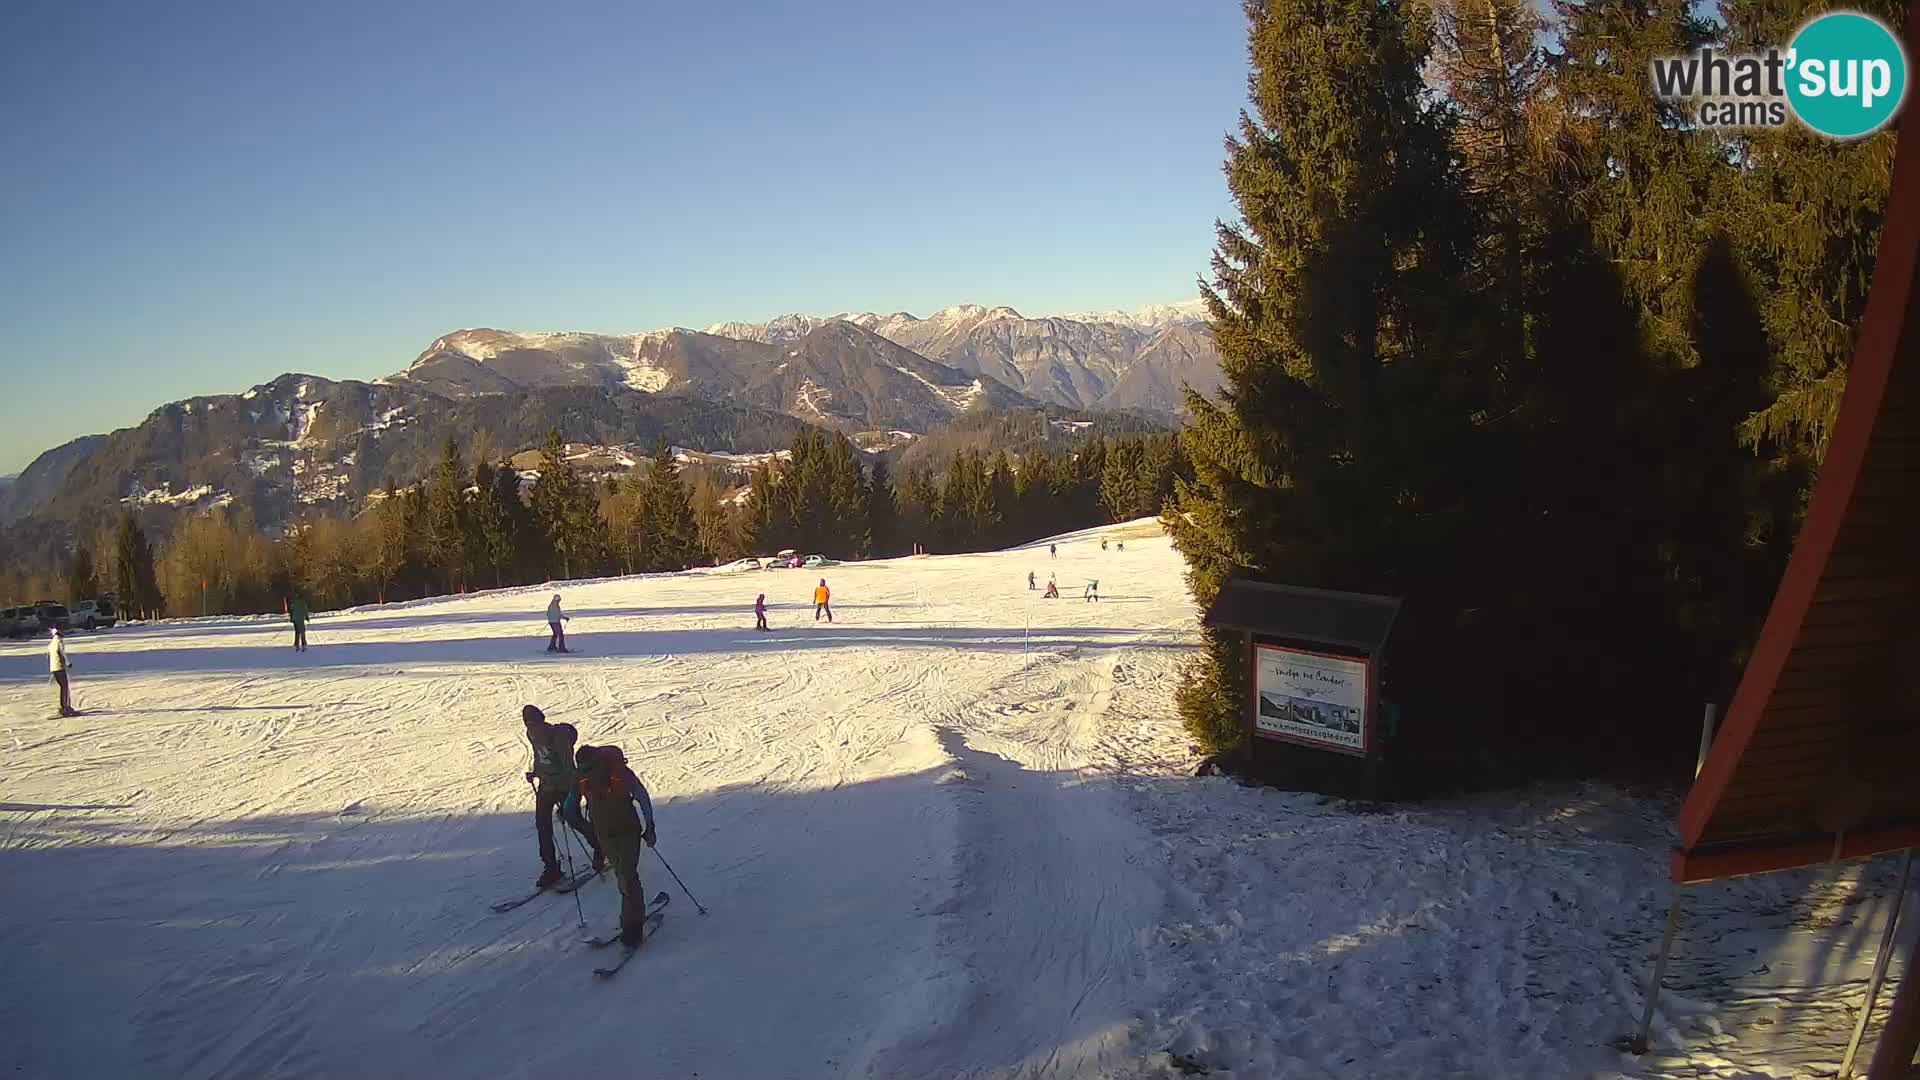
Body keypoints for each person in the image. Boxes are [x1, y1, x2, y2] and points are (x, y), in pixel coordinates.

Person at [575, 743, 657, 947]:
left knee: (628, 876)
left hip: (627, 832)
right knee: (622, 875)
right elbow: (571, 804)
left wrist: (650, 827)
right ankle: (630, 918)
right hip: (605, 836)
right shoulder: (581, 778)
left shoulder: (620, 773)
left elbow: (642, 797)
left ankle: (633, 927)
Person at [524, 705, 601, 888]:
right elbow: (539, 756)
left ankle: (600, 847)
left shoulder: (557, 737)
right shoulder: (531, 734)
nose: (531, 727)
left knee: (573, 819)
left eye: (533, 723)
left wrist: (572, 791)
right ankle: (551, 868)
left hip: (564, 786)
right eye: (528, 724)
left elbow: (569, 767)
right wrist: (536, 772)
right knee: (542, 825)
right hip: (546, 786)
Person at [49, 625, 75, 717]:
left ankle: (64, 706)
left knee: (63, 687)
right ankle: (65, 707)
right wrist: (68, 662)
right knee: (65, 687)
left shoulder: (53, 641)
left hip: (54, 667)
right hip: (59, 667)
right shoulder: (59, 640)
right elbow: (62, 652)